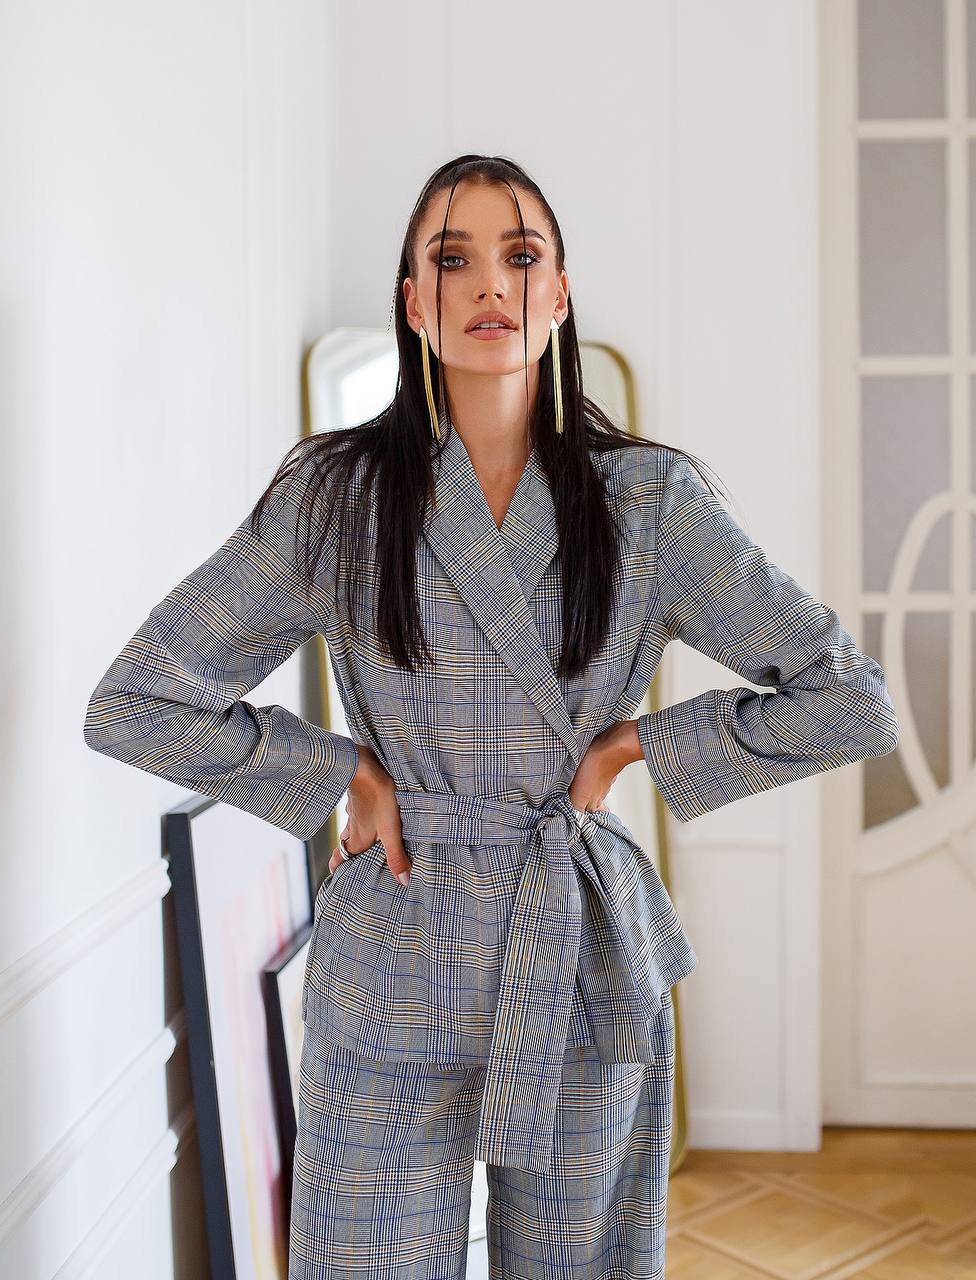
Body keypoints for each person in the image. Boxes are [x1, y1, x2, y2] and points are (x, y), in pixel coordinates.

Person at [83, 154, 900, 1280]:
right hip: (394, 950)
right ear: (413, 302)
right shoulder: (335, 498)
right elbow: (138, 695)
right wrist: (340, 777)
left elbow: (849, 701)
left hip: (576, 953)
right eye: (451, 258)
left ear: (559, 293)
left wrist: (640, 742)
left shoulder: (650, 502)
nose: (488, 287)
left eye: (519, 256)